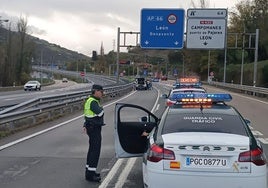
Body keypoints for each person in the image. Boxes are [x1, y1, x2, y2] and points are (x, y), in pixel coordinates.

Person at [83, 84, 105, 182]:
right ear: (96, 91)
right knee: (95, 151)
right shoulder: (93, 102)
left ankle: (89, 171)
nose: (102, 93)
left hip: (90, 127)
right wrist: (102, 109)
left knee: (92, 150)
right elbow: (100, 113)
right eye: (101, 91)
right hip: (94, 128)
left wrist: (85, 124)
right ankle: (91, 175)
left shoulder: (90, 100)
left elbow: (87, 115)